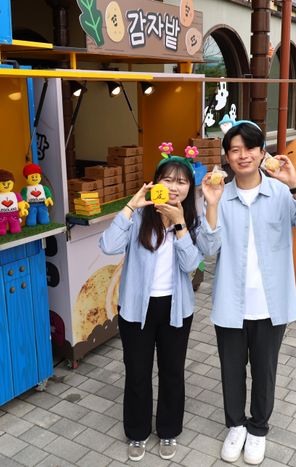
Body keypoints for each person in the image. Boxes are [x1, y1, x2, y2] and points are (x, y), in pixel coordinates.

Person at [196, 122, 296, 465]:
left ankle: (258, 428)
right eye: (235, 150)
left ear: (261, 152)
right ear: (226, 157)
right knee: (231, 370)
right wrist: (210, 205)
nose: (243, 155)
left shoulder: (282, 193)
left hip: (271, 304)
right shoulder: (218, 196)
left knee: (265, 370)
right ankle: (235, 425)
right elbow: (207, 249)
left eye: (250, 148)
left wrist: (295, 184)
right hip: (231, 303)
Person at [99, 154, 202, 462]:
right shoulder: (139, 217)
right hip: (136, 310)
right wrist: (131, 205)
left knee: (172, 372)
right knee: (137, 373)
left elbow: (192, 265)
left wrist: (179, 224)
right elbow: (107, 245)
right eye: (167, 179)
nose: (173, 187)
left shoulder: (190, 219)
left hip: (176, 309)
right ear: (155, 182)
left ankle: (168, 430)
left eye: (181, 181)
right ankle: (137, 432)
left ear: (189, 187)